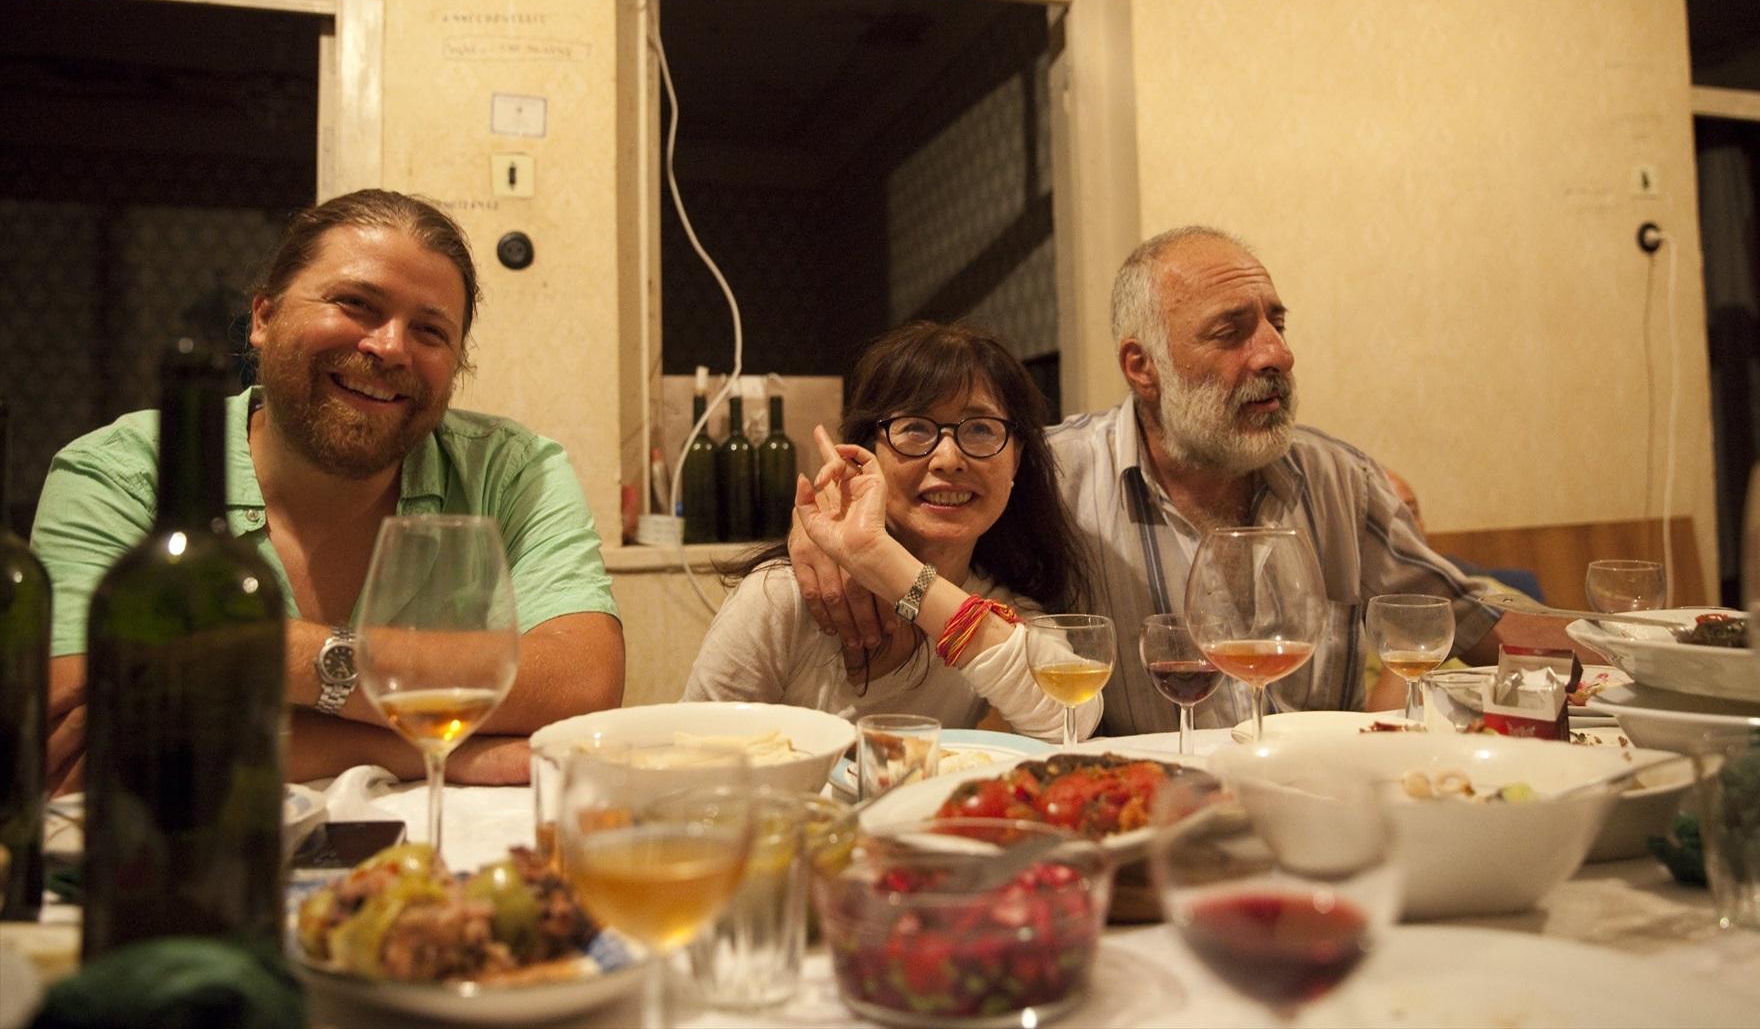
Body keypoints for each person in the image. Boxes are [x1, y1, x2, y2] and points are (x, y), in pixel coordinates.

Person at [794, 227, 1567, 735]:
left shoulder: (1340, 480)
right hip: (1136, 827)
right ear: (1143, 367)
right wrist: (817, 537)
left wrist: (1622, 643)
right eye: (1232, 332)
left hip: (1317, 816)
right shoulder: (1052, 476)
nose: (1275, 355)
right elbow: (920, 521)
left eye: (1276, 324)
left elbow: (1474, 621)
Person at [34, 190, 624, 791]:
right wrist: (435, 751)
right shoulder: (122, 473)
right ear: (264, 318)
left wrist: (275, 652)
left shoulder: (512, 472)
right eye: (356, 304)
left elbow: (582, 685)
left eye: (430, 331)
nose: (390, 347)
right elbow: (78, 746)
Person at [683, 322, 1100, 742]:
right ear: (867, 453)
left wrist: (883, 563)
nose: (948, 458)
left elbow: (1072, 718)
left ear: (1016, 461)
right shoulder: (784, 595)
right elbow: (695, 749)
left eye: (980, 429)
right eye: (916, 428)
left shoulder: (1007, 608)